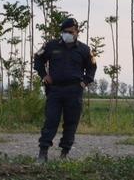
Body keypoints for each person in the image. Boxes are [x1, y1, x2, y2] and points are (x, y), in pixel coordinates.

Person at [34, 17, 97, 163]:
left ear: (76, 32)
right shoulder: (51, 45)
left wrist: (85, 82)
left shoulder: (84, 49)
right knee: (51, 121)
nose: (66, 34)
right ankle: (43, 153)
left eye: (69, 31)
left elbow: (92, 67)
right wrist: (44, 75)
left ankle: (64, 154)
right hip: (55, 90)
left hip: (74, 91)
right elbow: (38, 59)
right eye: (64, 32)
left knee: (71, 122)